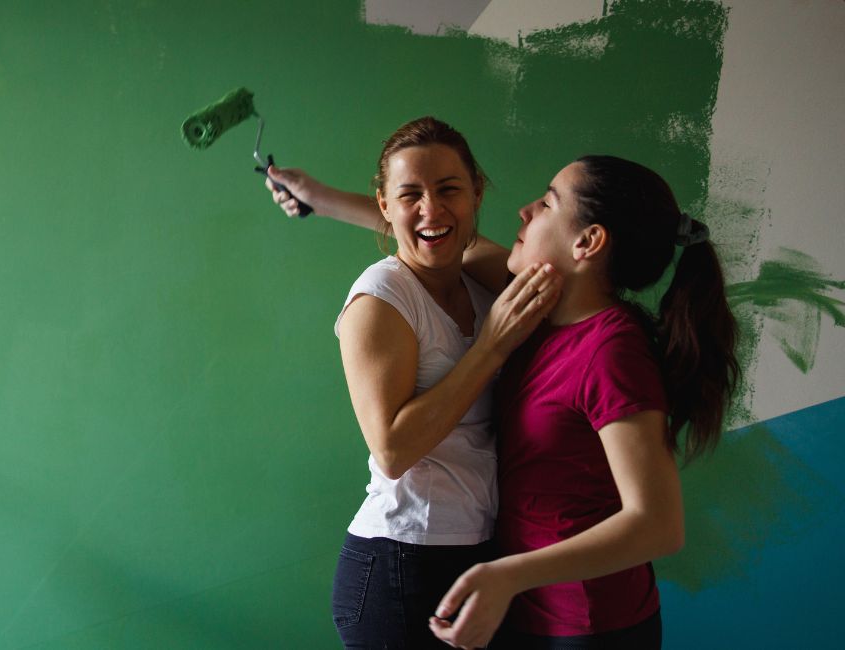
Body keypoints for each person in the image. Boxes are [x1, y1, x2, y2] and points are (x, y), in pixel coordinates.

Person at [268, 155, 738, 649]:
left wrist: (509, 575)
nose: (524, 210)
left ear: (587, 242)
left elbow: (658, 526)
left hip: (590, 624)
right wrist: (319, 198)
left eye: (548, 202)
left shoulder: (612, 350)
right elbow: (434, 235)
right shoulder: (536, 306)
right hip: (529, 613)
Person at [322, 116, 561, 648]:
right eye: (410, 195)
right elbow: (392, 449)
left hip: (477, 551)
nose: (431, 209)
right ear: (385, 206)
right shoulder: (382, 296)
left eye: (449, 189)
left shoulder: (479, 288)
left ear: (476, 193)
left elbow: (554, 285)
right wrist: (492, 345)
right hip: (398, 561)